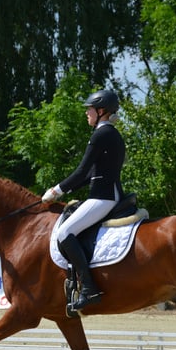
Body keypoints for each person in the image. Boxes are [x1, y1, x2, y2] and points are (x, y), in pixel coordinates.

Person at [42, 89, 126, 311]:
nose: (86, 113)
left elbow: (82, 171)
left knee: (64, 233)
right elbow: (91, 174)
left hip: (103, 196)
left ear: (101, 111)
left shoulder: (102, 134)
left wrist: (56, 191)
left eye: (89, 109)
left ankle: (89, 288)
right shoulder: (110, 133)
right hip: (106, 193)